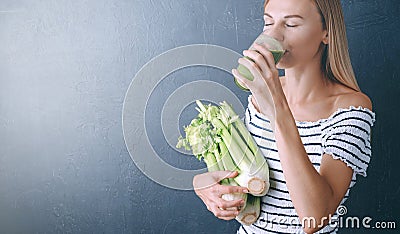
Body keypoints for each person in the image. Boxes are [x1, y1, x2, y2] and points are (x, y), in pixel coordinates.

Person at [193, 0, 376, 233]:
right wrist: (202, 185)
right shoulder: (259, 95)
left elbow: (315, 217)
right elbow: (244, 174)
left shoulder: (351, 108)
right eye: (268, 22)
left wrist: (278, 109)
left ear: (326, 32)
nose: (274, 34)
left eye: (290, 24)